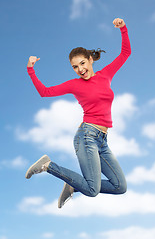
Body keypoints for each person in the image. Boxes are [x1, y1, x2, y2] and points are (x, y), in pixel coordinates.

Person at [25, 18, 131, 208]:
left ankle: (73, 184)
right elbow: (45, 92)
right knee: (92, 190)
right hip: (87, 136)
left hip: (102, 140)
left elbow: (125, 53)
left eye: (82, 63)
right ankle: (48, 165)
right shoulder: (74, 85)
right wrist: (30, 69)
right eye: (75, 67)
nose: (80, 69)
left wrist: (122, 28)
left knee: (120, 186)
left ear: (90, 60)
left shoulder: (105, 74)